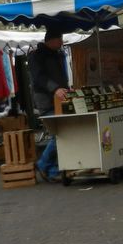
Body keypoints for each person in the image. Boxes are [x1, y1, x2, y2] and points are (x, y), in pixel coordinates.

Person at [31, 29, 70, 182]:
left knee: (61, 133)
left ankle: (52, 170)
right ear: (51, 40)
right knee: (59, 133)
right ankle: (44, 164)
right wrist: (55, 88)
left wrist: (65, 88)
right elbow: (38, 77)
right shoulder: (36, 56)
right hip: (45, 100)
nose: (61, 42)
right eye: (60, 39)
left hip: (59, 99)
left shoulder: (58, 54)